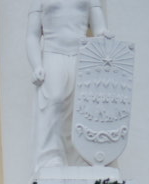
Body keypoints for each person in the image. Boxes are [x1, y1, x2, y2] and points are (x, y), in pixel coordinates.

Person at [26, 0, 112, 174]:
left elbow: (99, 28)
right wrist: (36, 65)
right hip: (53, 54)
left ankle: (83, 157)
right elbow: (32, 35)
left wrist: (104, 36)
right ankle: (50, 157)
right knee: (53, 101)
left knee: (83, 106)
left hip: (83, 55)